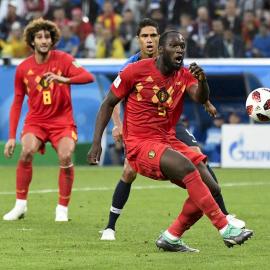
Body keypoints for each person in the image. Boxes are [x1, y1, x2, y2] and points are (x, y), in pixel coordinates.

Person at [88, 30, 253, 252]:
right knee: (187, 167)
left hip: (167, 139)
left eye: (182, 47)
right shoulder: (133, 71)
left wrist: (203, 81)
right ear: (162, 49)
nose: (180, 51)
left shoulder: (183, 75)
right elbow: (108, 103)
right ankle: (225, 229)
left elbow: (200, 97)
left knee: (211, 185)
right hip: (140, 144)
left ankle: (172, 236)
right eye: (175, 46)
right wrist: (97, 141)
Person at [3, 18, 94, 222]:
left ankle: (62, 208)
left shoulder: (64, 59)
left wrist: (65, 79)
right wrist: (11, 137)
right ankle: (20, 206)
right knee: (26, 152)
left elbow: (88, 77)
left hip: (62, 122)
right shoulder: (23, 68)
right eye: (39, 37)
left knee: (65, 156)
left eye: (47, 36)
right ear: (32, 41)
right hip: (36, 122)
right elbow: (17, 102)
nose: (44, 40)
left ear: (52, 40)